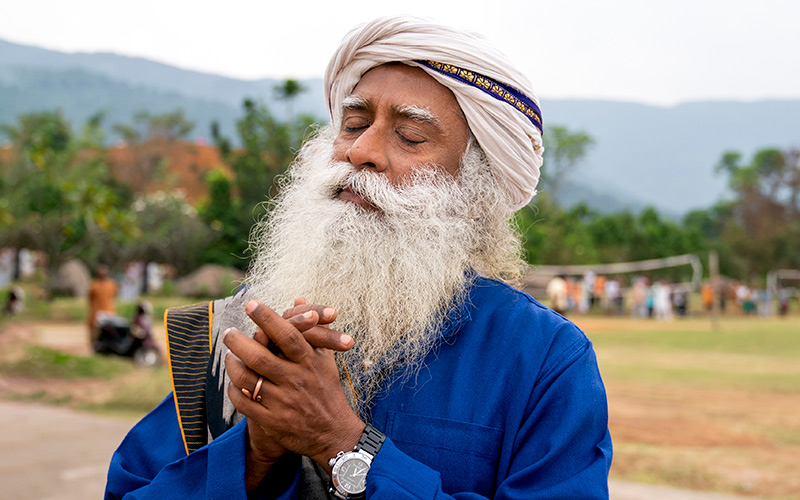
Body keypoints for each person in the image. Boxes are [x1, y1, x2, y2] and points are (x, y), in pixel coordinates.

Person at [105, 15, 612, 500]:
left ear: (476, 191)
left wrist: (343, 444)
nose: (361, 150)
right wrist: (256, 453)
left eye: (410, 136)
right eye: (353, 124)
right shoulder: (240, 336)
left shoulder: (543, 359)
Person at [88, 264, 117, 346]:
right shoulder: (94, 284)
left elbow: (113, 296)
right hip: (96, 311)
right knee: (95, 331)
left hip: (108, 310)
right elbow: (90, 298)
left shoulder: (111, 284)